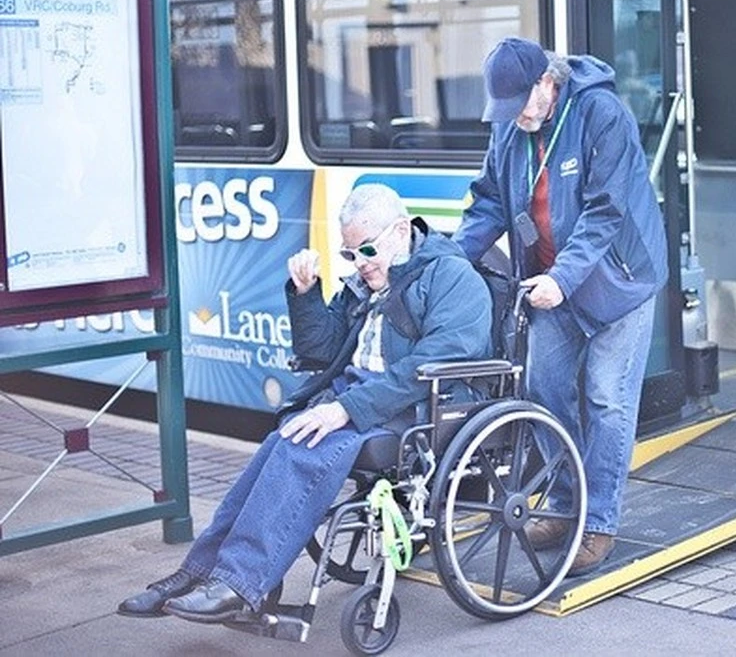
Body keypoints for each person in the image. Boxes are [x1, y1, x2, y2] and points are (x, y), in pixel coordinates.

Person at [118, 184, 492, 623]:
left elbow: (429, 366)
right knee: (280, 442)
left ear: (400, 231)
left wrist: (345, 409)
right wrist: (306, 293)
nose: (360, 263)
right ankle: (199, 571)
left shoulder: (452, 277)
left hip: (420, 406)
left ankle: (240, 582)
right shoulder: (366, 279)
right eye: (351, 254)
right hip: (363, 395)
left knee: (303, 449)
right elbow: (322, 350)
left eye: (367, 250)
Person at [453, 37, 668, 576]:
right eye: (504, 110)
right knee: (544, 393)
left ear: (548, 84)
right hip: (549, 282)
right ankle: (566, 506)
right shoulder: (511, 123)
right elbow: (489, 202)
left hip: (618, 281)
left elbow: (605, 211)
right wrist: (452, 262)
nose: (514, 118)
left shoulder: (600, 113)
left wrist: (562, 279)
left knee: (605, 398)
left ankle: (597, 523)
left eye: (521, 105)